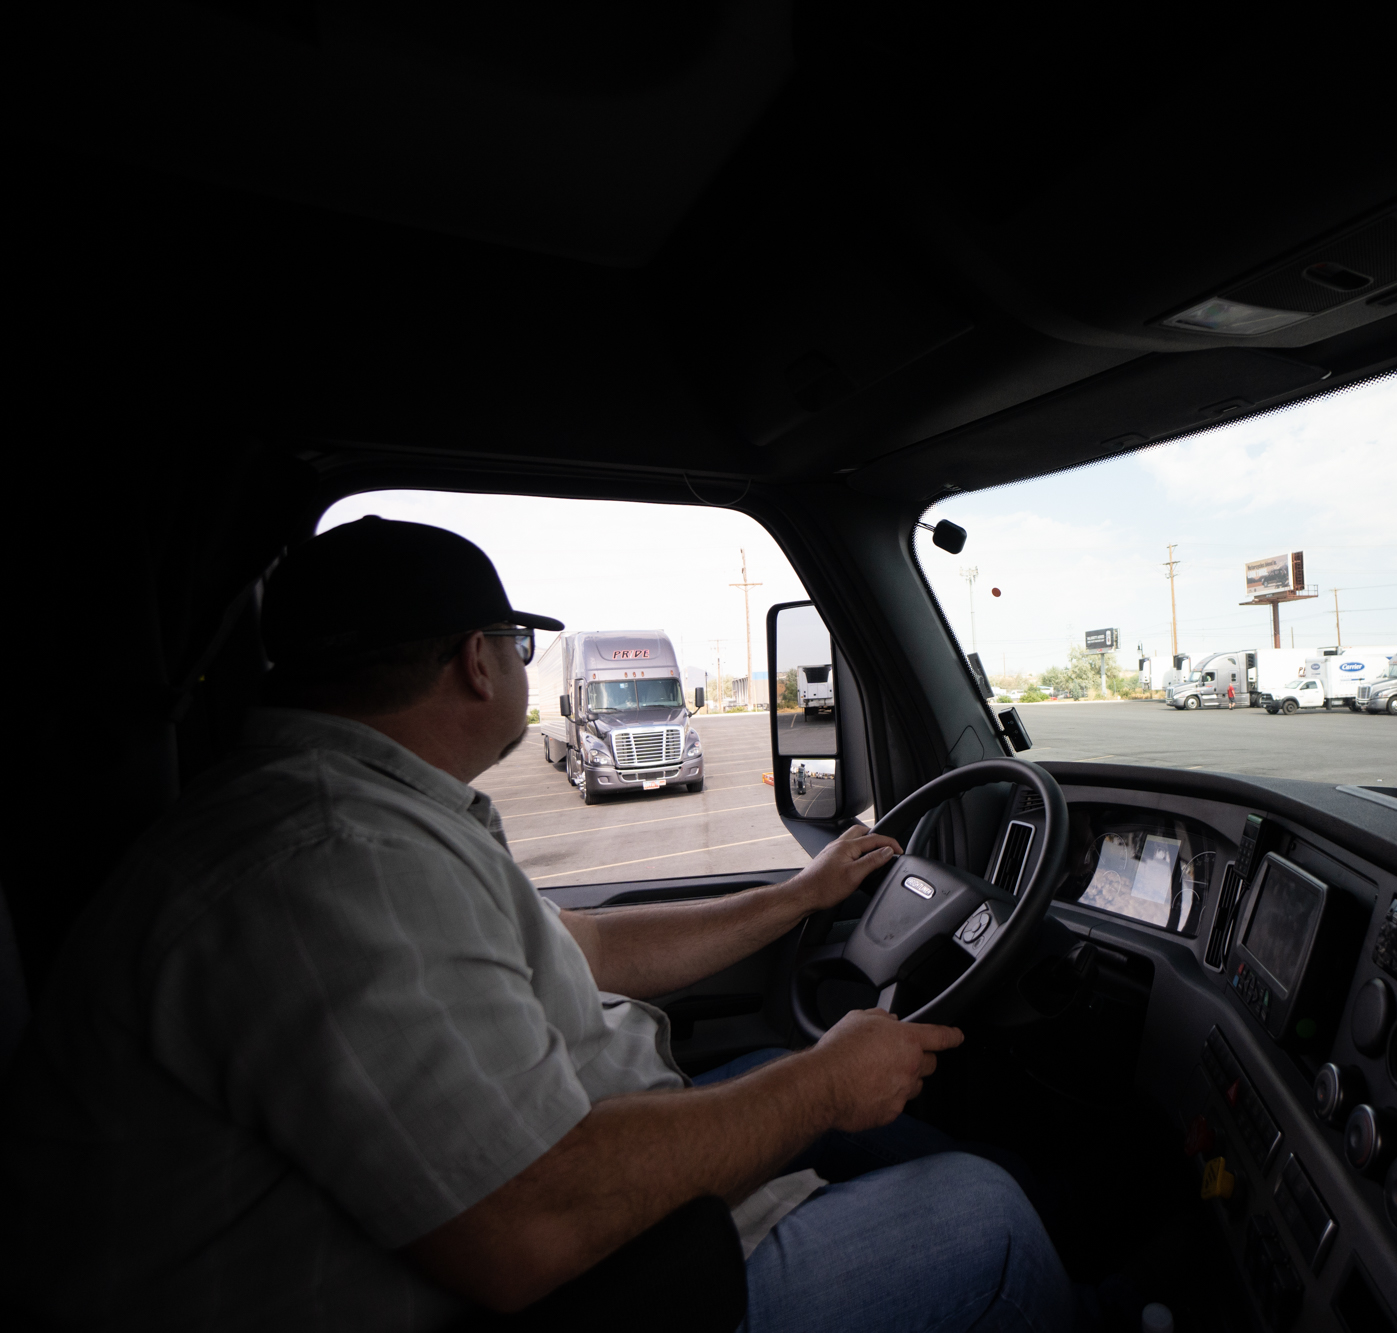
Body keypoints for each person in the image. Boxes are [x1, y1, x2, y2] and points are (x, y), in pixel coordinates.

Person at [0, 518, 1075, 1332]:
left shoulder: (362, 812)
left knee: (798, 1081)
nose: (525, 669)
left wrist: (798, 897)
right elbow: (528, 1226)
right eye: (518, 646)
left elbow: (590, 949)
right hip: (543, 1276)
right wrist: (824, 1083)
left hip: (526, 1204)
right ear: (478, 657)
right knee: (980, 1215)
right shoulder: (335, 860)